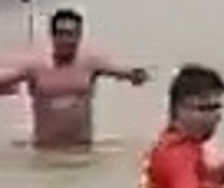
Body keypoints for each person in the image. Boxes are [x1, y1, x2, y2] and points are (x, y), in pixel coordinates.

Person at [0, 8, 149, 150]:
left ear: (79, 35)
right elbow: (6, 79)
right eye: (62, 34)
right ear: (52, 36)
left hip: (83, 150)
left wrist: (137, 75)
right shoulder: (35, 67)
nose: (67, 40)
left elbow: (125, 73)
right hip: (45, 152)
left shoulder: (90, 63)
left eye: (72, 34)